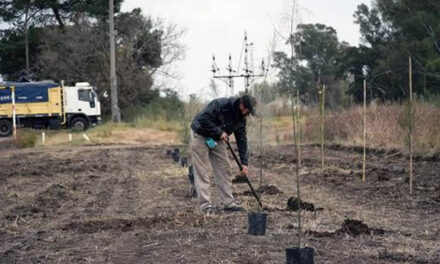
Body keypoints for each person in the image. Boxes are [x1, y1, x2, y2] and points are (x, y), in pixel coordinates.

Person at [190, 94, 257, 214]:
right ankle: (205, 206)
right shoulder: (220, 104)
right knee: (202, 171)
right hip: (200, 135)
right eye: (247, 109)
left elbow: (242, 140)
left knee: (224, 168)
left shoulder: (241, 119)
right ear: (241, 104)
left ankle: (228, 203)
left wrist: (244, 163)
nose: (248, 112)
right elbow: (202, 119)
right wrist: (219, 131)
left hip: (217, 139)